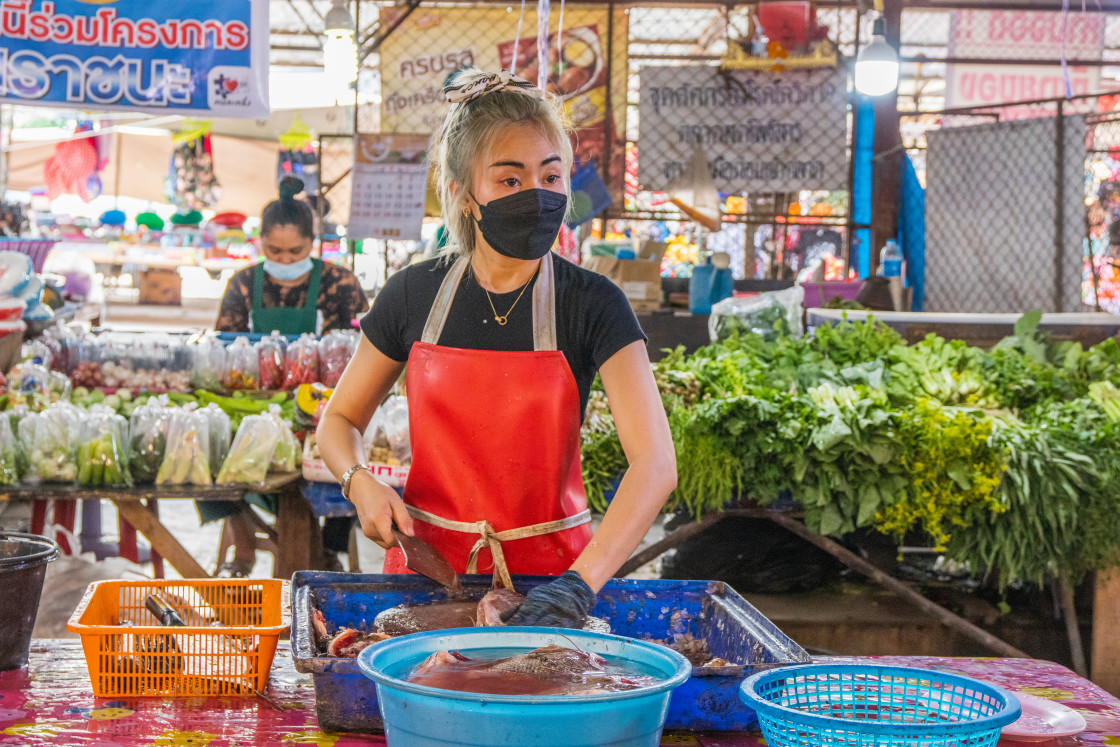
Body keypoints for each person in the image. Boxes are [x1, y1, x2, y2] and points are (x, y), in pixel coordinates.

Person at [316, 68, 676, 627]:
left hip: (555, 581)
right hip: (426, 576)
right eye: (510, 180)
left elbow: (655, 465)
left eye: (551, 176)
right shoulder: (414, 294)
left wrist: (580, 585)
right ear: (462, 193)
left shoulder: (594, 303)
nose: (536, 194)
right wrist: (357, 481)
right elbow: (339, 419)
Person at [206, 176, 369, 577]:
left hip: (325, 407)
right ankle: (243, 539)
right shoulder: (242, 285)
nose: (283, 258)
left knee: (348, 450)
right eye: (273, 250)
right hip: (254, 406)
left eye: (294, 250)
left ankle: (329, 549)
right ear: (259, 242)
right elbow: (225, 350)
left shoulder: (340, 283)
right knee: (202, 444)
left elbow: (361, 354)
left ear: (313, 243)